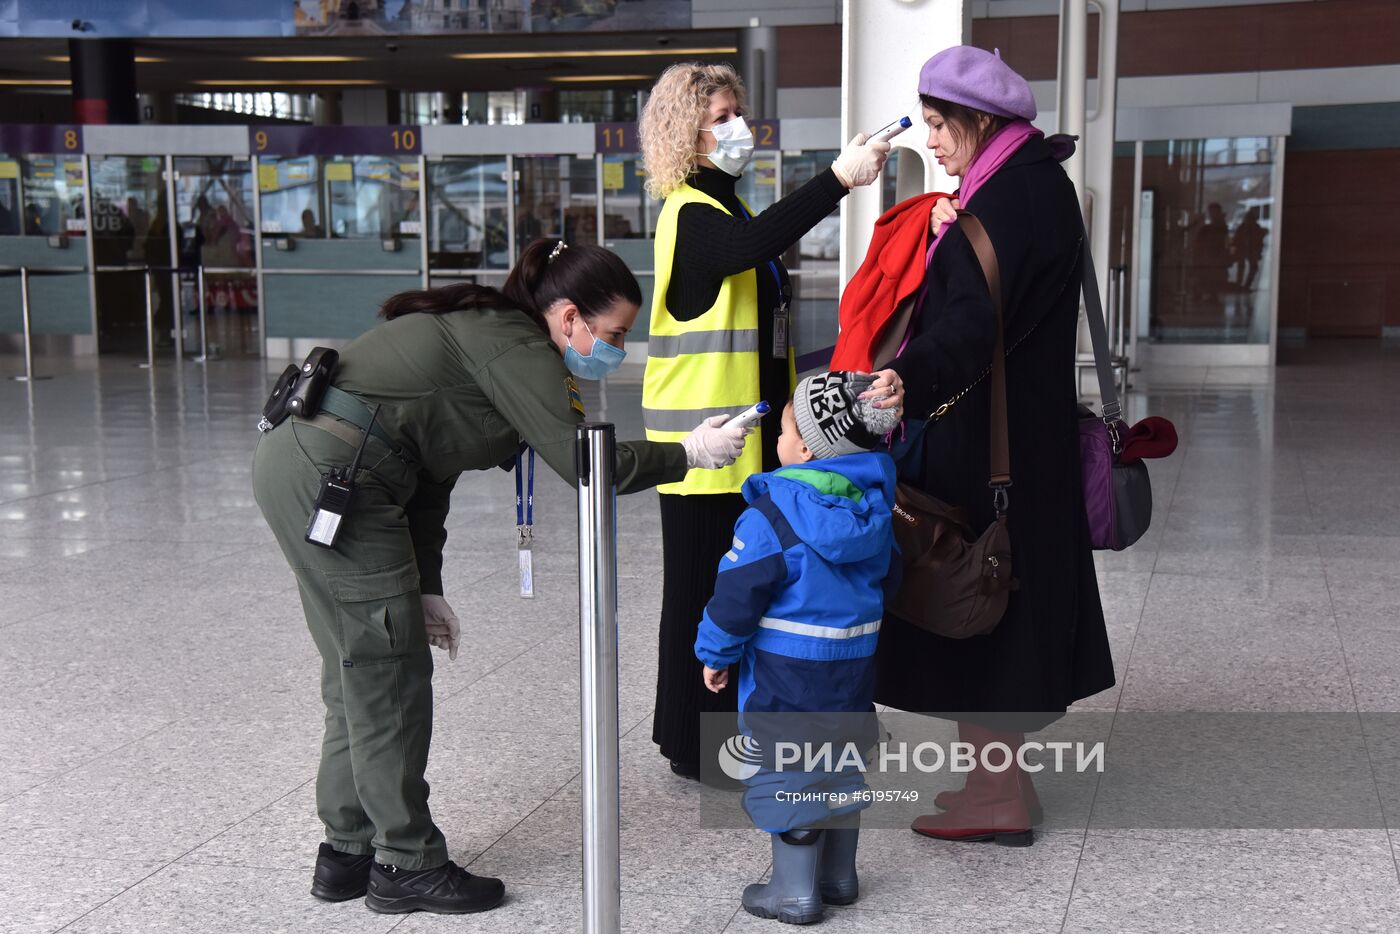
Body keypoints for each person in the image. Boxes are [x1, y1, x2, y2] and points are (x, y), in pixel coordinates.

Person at [251, 238, 751, 915]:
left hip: (314, 467)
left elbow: (430, 476)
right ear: (569, 316)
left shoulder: (491, 334)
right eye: (613, 334)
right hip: (336, 480)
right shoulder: (514, 346)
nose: (616, 349)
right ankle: (404, 862)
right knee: (387, 675)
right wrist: (689, 451)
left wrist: (426, 583)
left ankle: (347, 851)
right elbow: (585, 463)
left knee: (359, 668)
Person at [871, 46, 1114, 845]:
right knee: (1007, 597)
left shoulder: (999, 206)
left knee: (980, 599)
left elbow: (971, 328)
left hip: (987, 448)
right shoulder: (1038, 183)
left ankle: (999, 796)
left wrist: (905, 378)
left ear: (981, 119)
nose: (932, 142)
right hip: (1028, 433)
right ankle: (998, 783)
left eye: (940, 126)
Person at [637, 61, 903, 782]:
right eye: (717, 118)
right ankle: (697, 746)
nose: (735, 129)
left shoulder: (725, 211)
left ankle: (716, 738)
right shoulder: (689, 215)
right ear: (683, 136)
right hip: (703, 449)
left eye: (735, 112)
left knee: (738, 592)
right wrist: (837, 180)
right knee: (705, 594)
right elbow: (747, 254)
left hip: (748, 442)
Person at [695, 371, 901, 925]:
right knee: (841, 758)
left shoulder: (771, 515)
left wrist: (716, 653)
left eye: (786, 428)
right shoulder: (874, 508)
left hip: (787, 674)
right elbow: (891, 579)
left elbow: (737, 595)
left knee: (786, 770)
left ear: (806, 447)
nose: (780, 439)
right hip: (854, 666)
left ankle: (793, 893)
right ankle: (837, 877)